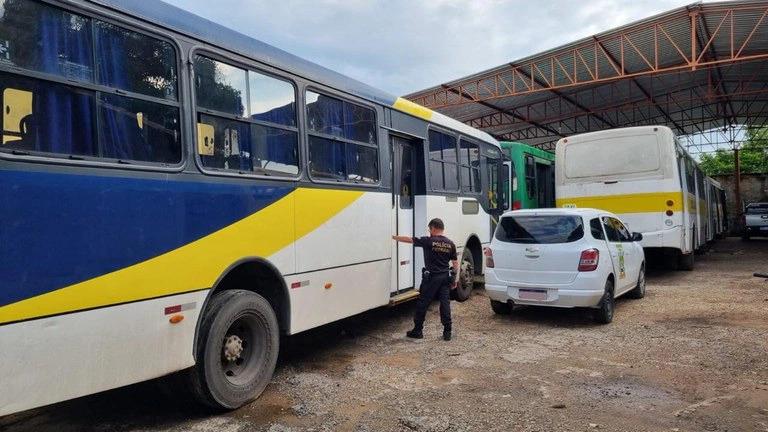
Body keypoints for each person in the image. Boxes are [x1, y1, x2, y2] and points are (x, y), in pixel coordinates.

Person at [392, 218, 460, 341]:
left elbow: (409, 239)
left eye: (429, 229)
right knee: (445, 303)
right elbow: (455, 262)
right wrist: (455, 278)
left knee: (423, 303)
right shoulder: (451, 244)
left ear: (433, 228)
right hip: (445, 277)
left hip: (431, 278)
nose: (429, 231)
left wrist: (393, 237)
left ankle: (418, 330)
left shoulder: (428, 241)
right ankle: (447, 331)